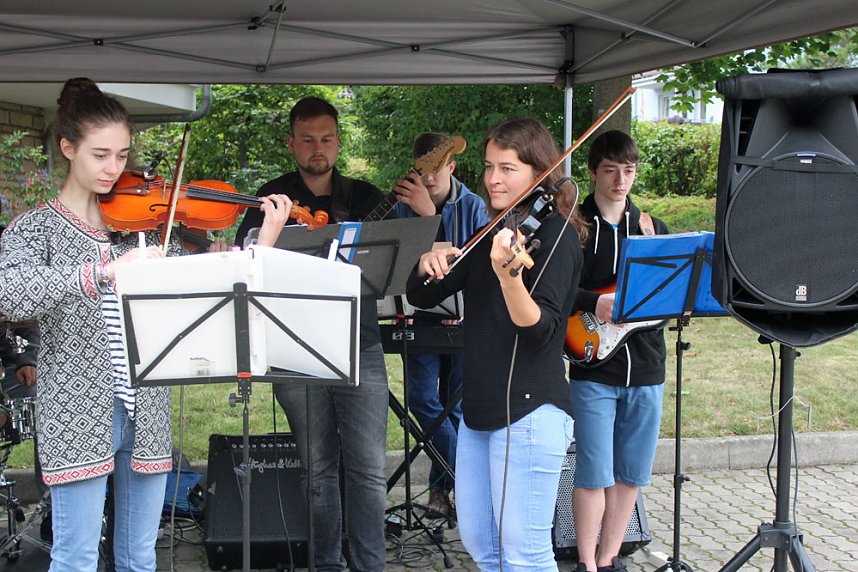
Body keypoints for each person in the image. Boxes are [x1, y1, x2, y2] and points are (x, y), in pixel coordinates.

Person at [0, 77, 291, 572]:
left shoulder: (144, 228)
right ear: (68, 148)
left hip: (147, 405)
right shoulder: (36, 228)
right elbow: (9, 293)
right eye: (100, 155)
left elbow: (212, 280)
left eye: (122, 155)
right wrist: (101, 272)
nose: (115, 169)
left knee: (139, 557)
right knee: (76, 556)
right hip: (76, 409)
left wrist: (262, 241)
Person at [406, 117, 587, 571]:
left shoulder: (557, 236)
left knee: (525, 554)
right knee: (483, 545)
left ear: (540, 173)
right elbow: (423, 294)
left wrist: (510, 278)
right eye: (489, 167)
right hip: (481, 411)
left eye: (507, 168)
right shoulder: (495, 231)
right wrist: (426, 260)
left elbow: (542, 329)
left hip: (529, 411)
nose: (492, 179)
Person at [239, 96, 390, 572]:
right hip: (294, 345)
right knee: (317, 470)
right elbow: (247, 263)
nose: (317, 148)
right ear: (292, 143)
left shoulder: (366, 196)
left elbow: (401, 254)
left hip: (357, 341)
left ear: (339, 140)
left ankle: (370, 566)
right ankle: (326, 565)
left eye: (326, 138)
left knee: (368, 468)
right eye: (307, 140)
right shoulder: (271, 197)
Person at [569, 130, 669, 572]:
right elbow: (553, 291)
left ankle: (610, 559)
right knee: (594, 470)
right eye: (610, 170)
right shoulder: (575, 226)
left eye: (628, 170)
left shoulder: (651, 228)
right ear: (593, 171)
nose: (620, 180)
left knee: (631, 472)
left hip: (646, 364)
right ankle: (586, 562)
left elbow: (672, 293)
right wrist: (596, 303)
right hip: (592, 365)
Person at [390, 132, 489, 517]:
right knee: (422, 401)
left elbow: (470, 261)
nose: (428, 180)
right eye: (421, 172)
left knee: (455, 409)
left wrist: (432, 218)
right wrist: (425, 218)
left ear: (451, 167)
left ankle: (440, 493)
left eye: (435, 171)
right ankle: (471, 474)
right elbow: (401, 264)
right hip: (419, 316)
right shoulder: (403, 207)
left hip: (465, 320)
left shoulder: (475, 205)